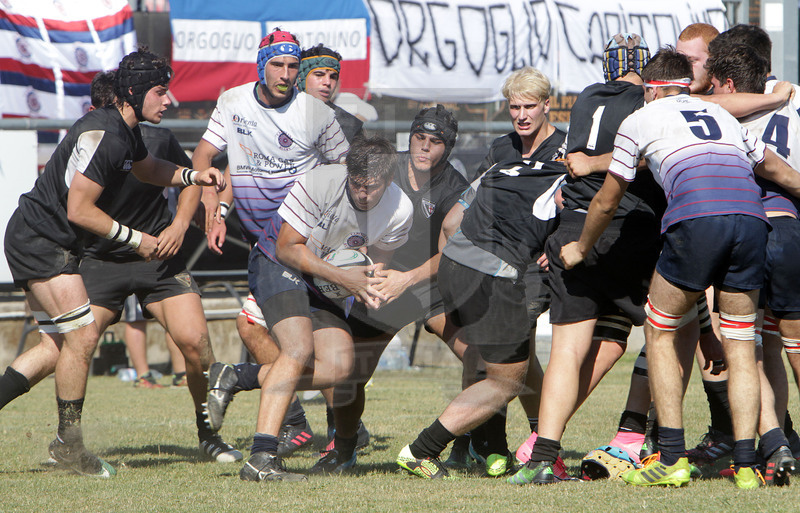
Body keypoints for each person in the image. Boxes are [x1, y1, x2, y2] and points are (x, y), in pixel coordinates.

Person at [561, 47, 800, 489]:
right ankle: (746, 466)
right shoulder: (722, 115)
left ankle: (671, 457)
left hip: (697, 219)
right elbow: (770, 166)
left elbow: (608, 198)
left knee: (660, 330)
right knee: (741, 344)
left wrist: (580, 247)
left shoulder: (640, 119)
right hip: (752, 220)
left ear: (653, 91)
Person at [1, 50, 224, 478]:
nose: (170, 100)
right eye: (161, 91)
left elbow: (149, 170)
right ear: (135, 93)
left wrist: (192, 177)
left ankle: (67, 442)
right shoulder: (106, 134)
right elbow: (79, 210)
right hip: (43, 240)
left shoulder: (127, 129)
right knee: (82, 337)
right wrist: (137, 239)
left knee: (57, 348)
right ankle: (70, 446)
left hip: (41, 238)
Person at [193, 29, 349, 455]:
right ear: (261, 65)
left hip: (310, 243)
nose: (286, 74)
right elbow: (210, 158)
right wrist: (215, 205)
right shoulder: (233, 102)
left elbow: (348, 177)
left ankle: (324, 426)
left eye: (293, 66)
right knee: (275, 336)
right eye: (278, 65)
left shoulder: (319, 115)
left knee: (329, 357)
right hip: (269, 246)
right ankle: (297, 430)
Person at [235, 135, 412, 482]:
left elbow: (373, 263)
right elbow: (288, 248)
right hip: (277, 260)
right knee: (298, 348)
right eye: (356, 184)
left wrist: (370, 285)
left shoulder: (399, 210)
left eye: (371, 187)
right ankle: (260, 458)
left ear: (388, 182)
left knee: (340, 368)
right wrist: (346, 280)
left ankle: (241, 375)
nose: (362, 193)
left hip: (323, 277)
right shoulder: (319, 183)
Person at [309, 104, 469, 474]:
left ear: (449, 147)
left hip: (432, 284)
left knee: (479, 360)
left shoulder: (455, 188)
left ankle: (469, 442)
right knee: (350, 373)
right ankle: (344, 449)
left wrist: (407, 278)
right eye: (419, 138)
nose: (424, 147)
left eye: (435, 142)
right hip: (381, 282)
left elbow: (452, 255)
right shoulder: (386, 167)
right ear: (409, 137)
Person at [395, 142, 567, 479]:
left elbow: (450, 223)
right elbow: (573, 218)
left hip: (454, 262)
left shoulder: (501, 167)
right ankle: (421, 450)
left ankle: (489, 446)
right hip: (495, 273)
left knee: (490, 363)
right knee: (505, 380)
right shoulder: (568, 179)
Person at [707, 42, 799, 483]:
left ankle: (774, 444)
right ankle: (779, 445)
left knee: (748, 350)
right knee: (786, 348)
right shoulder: (792, 99)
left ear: (726, 83)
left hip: (750, 228)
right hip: (792, 229)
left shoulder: (720, 111)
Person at [297, 44, 364, 142]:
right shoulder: (277, 114)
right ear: (300, 78)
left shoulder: (349, 125)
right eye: (319, 75)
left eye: (333, 77)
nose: (327, 82)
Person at [676, 23, 719, 94]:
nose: (683, 68)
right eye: (679, 61)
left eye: (691, 61)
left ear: (714, 60)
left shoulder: (731, 101)